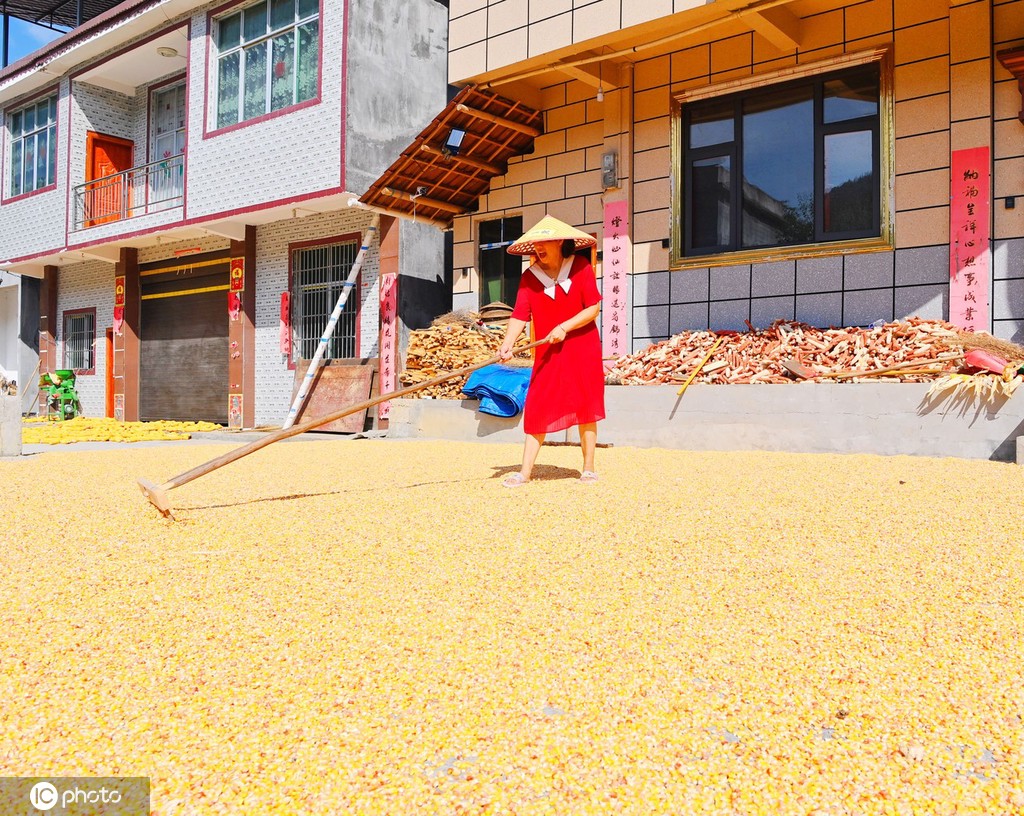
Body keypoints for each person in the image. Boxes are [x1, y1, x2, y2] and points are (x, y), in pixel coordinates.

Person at [497, 215, 606, 487]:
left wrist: (564, 327)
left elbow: (593, 308)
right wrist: (508, 342)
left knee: (586, 403)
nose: (538, 248)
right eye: (535, 244)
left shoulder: (580, 267)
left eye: (544, 242)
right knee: (537, 404)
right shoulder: (529, 277)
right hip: (548, 351)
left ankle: (588, 468)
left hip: (582, 348)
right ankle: (525, 472)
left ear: (559, 242)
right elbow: (520, 314)